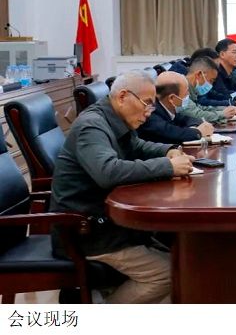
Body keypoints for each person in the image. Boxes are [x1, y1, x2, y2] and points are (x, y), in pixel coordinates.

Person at [49, 70, 195, 303]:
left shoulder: (115, 119)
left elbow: (137, 146)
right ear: (123, 96)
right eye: (146, 103)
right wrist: (167, 167)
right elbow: (108, 172)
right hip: (86, 230)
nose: (149, 112)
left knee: (180, 258)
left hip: (108, 221)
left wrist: (168, 151)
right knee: (169, 275)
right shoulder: (92, 126)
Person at [137, 71, 215, 144]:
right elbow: (171, 133)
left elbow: (185, 119)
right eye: (186, 93)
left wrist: (200, 124)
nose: (188, 95)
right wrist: (199, 132)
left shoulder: (168, 108)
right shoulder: (150, 113)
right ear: (172, 98)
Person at [179, 56, 236, 123]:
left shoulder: (191, 89)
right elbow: (196, 114)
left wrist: (226, 109)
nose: (211, 85)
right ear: (199, 74)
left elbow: (200, 108)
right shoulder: (179, 87)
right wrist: (222, 114)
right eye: (211, 80)